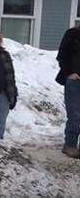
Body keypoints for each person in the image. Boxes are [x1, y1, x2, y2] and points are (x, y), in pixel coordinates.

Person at [57, 23, 80, 158]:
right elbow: (62, 55)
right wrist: (69, 72)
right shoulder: (72, 34)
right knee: (75, 114)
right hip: (75, 81)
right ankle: (70, 145)